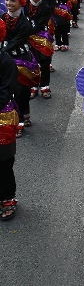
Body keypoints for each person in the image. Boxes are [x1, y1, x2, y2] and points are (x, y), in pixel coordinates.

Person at [1, 0, 35, 138]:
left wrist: (3, 51)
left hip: (22, 59)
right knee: (10, 90)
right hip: (6, 59)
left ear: (21, 3)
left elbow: (15, 43)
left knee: (23, 91)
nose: (8, 3)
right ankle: (18, 118)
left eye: (12, 0)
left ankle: (23, 116)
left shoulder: (25, 24)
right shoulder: (3, 17)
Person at [0, 18, 19, 221]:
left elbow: (5, 92)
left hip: (3, 119)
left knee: (3, 163)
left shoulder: (6, 62)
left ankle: (7, 198)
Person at [26, 0, 54, 100]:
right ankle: (33, 86)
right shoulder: (25, 3)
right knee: (31, 63)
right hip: (26, 37)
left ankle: (44, 86)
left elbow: (40, 24)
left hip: (41, 37)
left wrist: (26, 31)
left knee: (44, 62)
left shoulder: (46, 7)